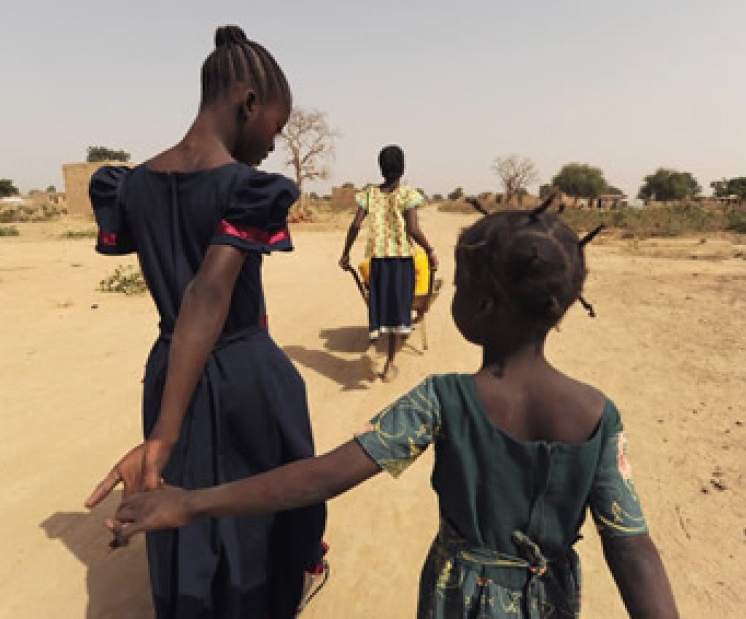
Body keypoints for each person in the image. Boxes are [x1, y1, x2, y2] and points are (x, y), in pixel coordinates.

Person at [106, 204, 679, 618]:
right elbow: (631, 545)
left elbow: (324, 475)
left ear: (482, 304)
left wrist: (193, 501)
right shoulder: (599, 415)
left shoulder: (445, 399)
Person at [83, 25, 326, 619]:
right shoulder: (249, 189)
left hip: (172, 368)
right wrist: (160, 438)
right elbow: (207, 296)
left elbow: (184, 304)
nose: (274, 140)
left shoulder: (129, 184)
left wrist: (163, 429)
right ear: (248, 103)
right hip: (245, 373)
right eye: (277, 122)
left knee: (179, 507)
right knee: (261, 510)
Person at [338, 145, 438, 382]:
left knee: (377, 303)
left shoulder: (370, 194)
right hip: (402, 260)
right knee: (397, 310)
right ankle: (389, 366)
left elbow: (354, 226)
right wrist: (430, 250)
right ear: (402, 168)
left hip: (377, 259)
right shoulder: (408, 195)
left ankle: (372, 346)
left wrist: (345, 253)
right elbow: (413, 229)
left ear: (380, 168)